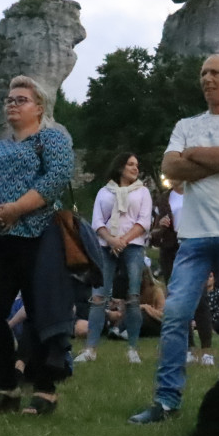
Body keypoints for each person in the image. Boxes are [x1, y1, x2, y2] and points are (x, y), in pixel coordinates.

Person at [129, 53, 219, 425]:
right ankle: (166, 401)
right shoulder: (186, 123)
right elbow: (170, 167)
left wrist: (194, 156)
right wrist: (213, 160)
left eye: (215, 72)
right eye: (202, 72)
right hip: (194, 235)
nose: (207, 78)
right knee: (174, 315)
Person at [0, 74, 74, 416]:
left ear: (39, 108)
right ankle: (7, 387)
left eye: (20, 100)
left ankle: (45, 389)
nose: (12, 104)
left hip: (39, 236)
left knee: (42, 313)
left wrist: (14, 209)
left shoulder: (52, 140)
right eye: (9, 100)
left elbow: (54, 179)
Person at [75, 152, 152, 365]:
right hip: (106, 246)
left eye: (137, 165)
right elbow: (97, 221)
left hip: (133, 246)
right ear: (120, 167)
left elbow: (144, 221)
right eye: (130, 164)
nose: (135, 168)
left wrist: (123, 240)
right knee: (99, 297)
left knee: (133, 297)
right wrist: (111, 240)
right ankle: (90, 349)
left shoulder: (143, 192)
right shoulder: (104, 192)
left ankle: (133, 348)